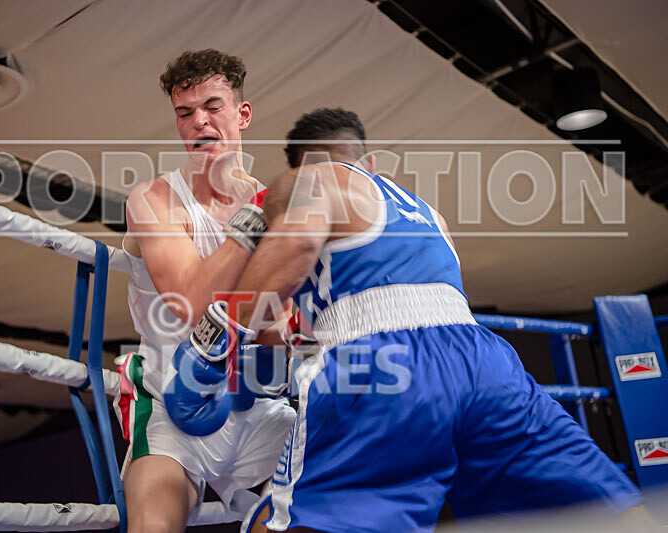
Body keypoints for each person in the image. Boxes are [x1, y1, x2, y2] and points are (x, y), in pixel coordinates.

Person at [167, 108, 644, 532]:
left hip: (384, 366)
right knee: (603, 508)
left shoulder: (308, 180)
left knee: (307, 519)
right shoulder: (428, 213)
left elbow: (296, 246)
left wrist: (214, 339)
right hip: (486, 365)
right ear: (368, 161)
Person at [115, 49, 295, 533]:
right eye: (185, 112)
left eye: (212, 107)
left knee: (327, 507)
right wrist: (256, 223)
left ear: (242, 113)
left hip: (260, 410)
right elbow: (192, 304)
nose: (199, 122)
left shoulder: (275, 202)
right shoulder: (155, 200)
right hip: (173, 411)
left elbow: (284, 328)